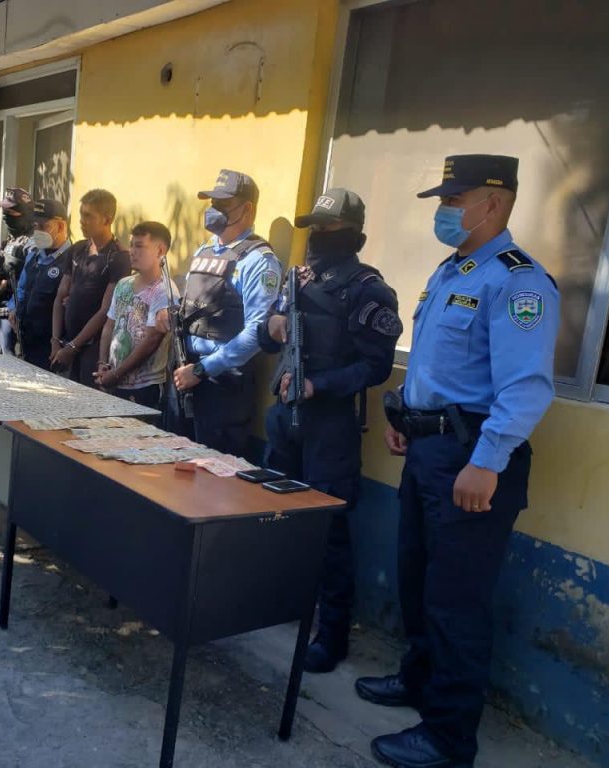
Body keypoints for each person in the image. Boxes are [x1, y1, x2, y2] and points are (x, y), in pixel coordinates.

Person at [357, 155, 559, 768]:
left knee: (456, 601)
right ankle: (419, 680)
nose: (443, 211)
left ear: (492, 203)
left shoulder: (519, 282)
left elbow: (526, 386)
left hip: (472, 458)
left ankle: (448, 739)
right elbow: (437, 367)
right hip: (430, 449)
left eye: (454, 200)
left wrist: (488, 460)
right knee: (418, 581)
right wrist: (405, 418)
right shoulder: (453, 271)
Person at [259, 188, 401, 674]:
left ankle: (332, 634)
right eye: (313, 227)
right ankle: (285, 603)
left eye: (328, 228)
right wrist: (272, 325)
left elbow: (375, 367)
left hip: (329, 427)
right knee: (278, 516)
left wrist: (320, 385)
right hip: (286, 419)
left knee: (328, 532)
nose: (317, 236)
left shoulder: (368, 289)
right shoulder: (298, 277)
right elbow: (265, 335)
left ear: (352, 233)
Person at [159, 169, 282, 457]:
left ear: (247, 209)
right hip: (184, 372)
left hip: (221, 384)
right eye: (213, 203)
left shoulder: (259, 261)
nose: (214, 210)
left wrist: (203, 370)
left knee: (212, 473)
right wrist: (170, 314)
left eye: (223, 204)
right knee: (173, 463)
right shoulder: (204, 251)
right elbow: (196, 306)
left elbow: (257, 332)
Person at [50, 189, 131, 386]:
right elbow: (60, 296)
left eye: (88, 216)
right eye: (81, 215)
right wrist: (55, 341)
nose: (81, 221)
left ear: (107, 220)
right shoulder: (77, 249)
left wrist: (73, 347)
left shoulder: (118, 257)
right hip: (65, 344)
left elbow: (106, 310)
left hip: (93, 348)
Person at [94, 221, 176, 410]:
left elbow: (151, 341)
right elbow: (109, 325)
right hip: (113, 380)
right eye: (131, 245)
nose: (132, 251)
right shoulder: (123, 284)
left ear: (160, 250)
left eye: (139, 246)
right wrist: (102, 364)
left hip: (143, 388)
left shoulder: (164, 291)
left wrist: (116, 375)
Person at [8, 199, 72, 370]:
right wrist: (14, 308)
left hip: (52, 349)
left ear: (61, 226)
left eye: (44, 227)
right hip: (27, 343)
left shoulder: (71, 261)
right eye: (36, 226)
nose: (38, 232)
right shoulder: (34, 255)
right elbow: (21, 288)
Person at [0, 187, 34, 355]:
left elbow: (30, 281)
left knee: (10, 365)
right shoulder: (10, 240)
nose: (5, 215)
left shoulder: (32, 243)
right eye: (4, 211)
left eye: (11, 211)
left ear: (24, 213)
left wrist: (6, 281)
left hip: (14, 318)